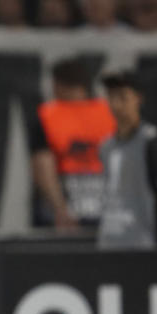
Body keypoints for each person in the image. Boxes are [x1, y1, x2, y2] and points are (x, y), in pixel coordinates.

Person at [97, 70, 157, 249]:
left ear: (138, 98)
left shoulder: (151, 143)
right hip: (110, 242)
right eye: (111, 97)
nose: (116, 104)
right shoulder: (106, 146)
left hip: (144, 244)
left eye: (123, 97)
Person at [29, 57, 116, 230]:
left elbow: (43, 165)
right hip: (106, 207)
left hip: (63, 208)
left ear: (58, 84)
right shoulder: (110, 113)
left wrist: (59, 209)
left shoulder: (48, 115)